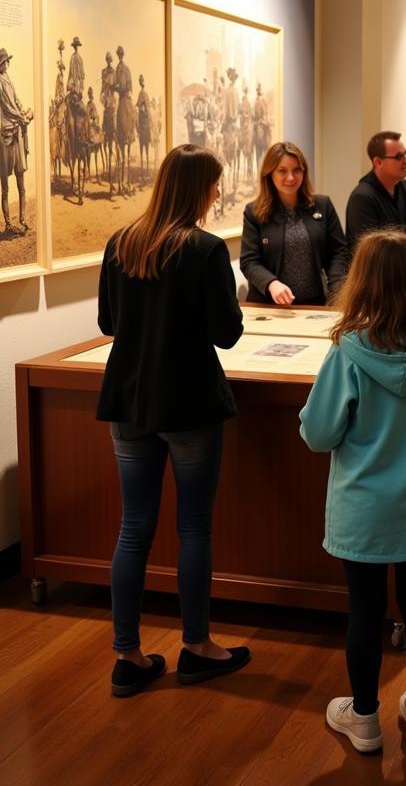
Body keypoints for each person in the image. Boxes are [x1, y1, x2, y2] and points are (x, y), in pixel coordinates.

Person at [96, 144, 249, 698]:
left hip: (131, 400)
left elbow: (109, 321)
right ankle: (198, 645)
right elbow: (226, 332)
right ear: (198, 190)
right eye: (213, 187)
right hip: (187, 402)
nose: (215, 196)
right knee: (193, 527)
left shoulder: (122, 243)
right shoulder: (205, 250)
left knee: (133, 527)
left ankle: (127, 655)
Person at [300, 230, 406, 752]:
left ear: (360, 282)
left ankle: (363, 717)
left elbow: (319, 434)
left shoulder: (346, 354)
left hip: (362, 504)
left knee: (364, 610)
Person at [240, 141, 347, 306]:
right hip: (269, 306)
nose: (290, 177)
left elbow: (338, 252)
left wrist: (337, 291)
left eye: (297, 170)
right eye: (282, 171)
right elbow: (249, 262)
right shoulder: (254, 212)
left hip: (315, 304)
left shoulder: (323, 205)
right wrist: (271, 283)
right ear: (270, 174)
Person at [345, 131, 406, 247]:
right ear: (378, 162)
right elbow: (372, 249)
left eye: (405, 154)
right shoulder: (362, 198)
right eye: (399, 157)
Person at [0, 47, 33, 235]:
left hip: (17, 132)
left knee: (21, 180)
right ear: (1, 64)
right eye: (5, 62)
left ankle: (22, 219)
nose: (8, 64)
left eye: (7, 61)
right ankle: (8, 223)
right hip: (5, 134)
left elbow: (16, 101)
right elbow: (6, 107)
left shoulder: (8, 79)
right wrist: (20, 116)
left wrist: (23, 110)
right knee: (5, 186)